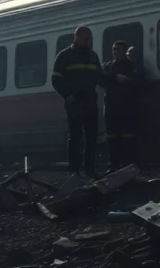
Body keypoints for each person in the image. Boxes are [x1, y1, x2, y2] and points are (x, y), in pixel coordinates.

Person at [51, 26, 105, 179]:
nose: (88, 40)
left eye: (89, 38)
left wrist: (113, 80)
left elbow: (99, 77)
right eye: (86, 38)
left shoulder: (93, 56)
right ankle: (74, 171)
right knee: (75, 137)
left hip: (89, 102)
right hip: (74, 103)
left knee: (91, 137)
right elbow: (56, 79)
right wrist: (66, 95)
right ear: (77, 37)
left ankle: (90, 170)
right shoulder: (65, 56)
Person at [102, 40, 141, 172]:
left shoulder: (131, 66)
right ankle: (112, 166)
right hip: (111, 107)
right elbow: (102, 78)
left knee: (127, 138)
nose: (115, 52)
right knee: (111, 138)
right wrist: (117, 78)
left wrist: (126, 80)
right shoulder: (107, 66)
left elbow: (137, 82)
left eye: (118, 49)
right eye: (114, 49)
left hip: (126, 106)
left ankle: (127, 166)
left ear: (124, 52)